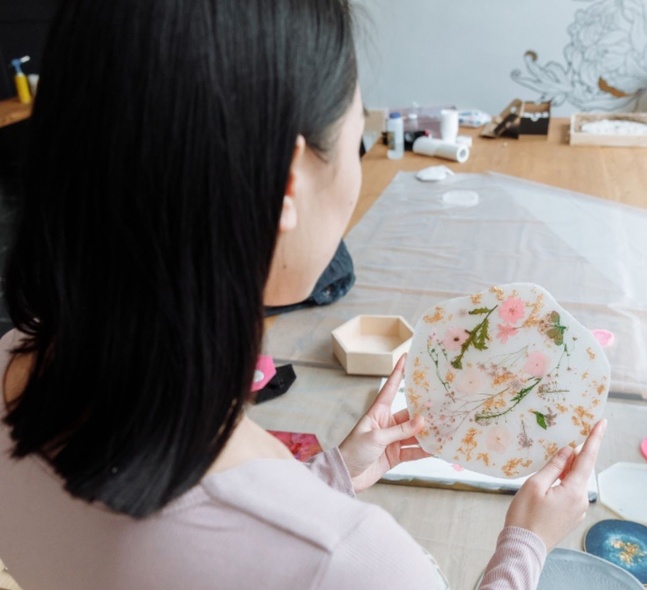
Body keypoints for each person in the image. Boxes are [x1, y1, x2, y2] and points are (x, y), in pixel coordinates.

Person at [0, 0, 607, 588]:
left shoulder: (10, 369)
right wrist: (527, 545)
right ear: (285, 186)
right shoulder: (351, 562)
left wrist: (329, 475)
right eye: (356, 139)